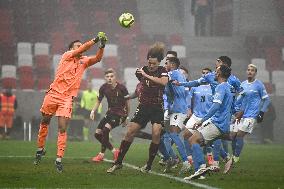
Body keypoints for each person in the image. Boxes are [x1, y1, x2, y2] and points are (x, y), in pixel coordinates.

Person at [33, 32, 107, 173]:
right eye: (77, 46)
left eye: (80, 45)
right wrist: (95, 39)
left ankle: (59, 159)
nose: (80, 47)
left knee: (62, 128)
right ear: (72, 49)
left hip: (67, 98)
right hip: (53, 93)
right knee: (45, 121)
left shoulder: (83, 61)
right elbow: (83, 49)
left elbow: (97, 58)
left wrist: (101, 46)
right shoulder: (67, 56)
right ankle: (40, 149)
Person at [107, 42, 168, 173]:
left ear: (159, 63)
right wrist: (127, 97)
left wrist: (146, 76)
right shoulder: (140, 71)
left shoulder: (163, 71)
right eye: (149, 63)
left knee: (156, 133)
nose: (151, 66)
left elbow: (163, 83)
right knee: (130, 132)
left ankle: (149, 165)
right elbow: (141, 87)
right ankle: (118, 162)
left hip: (157, 108)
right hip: (144, 107)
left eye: (154, 64)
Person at [183, 64, 233, 180]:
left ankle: (200, 167)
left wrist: (202, 120)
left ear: (219, 74)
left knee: (193, 139)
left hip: (217, 123)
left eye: (216, 71)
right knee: (202, 142)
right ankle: (227, 158)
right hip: (223, 123)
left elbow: (216, 106)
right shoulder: (227, 87)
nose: (214, 73)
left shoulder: (221, 87)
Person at [229, 64, 270, 164]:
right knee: (232, 136)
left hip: (251, 115)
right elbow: (239, 99)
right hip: (241, 114)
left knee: (239, 135)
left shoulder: (259, 84)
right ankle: (233, 156)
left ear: (255, 73)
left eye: (252, 70)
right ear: (246, 72)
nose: (250, 72)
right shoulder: (243, 84)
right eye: (248, 70)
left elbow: (266, 99)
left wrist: (262, 112)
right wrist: (235, 110)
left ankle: (236, 157)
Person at [90, 68, 130, 162]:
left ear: (115, 77)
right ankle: (114, 151)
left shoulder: (122, 88)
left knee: (105, 130)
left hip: (120, 114)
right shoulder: (103, 88)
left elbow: (128, 103)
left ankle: (101, 155)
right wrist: (93, 111)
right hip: (110, 113)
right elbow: (99, 100)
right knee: (97, 134)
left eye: (111, 76)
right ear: (105, 78)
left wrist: (126, 117)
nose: (109, 78)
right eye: (107, 77)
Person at [163, 56, 190, 174]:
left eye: (166, 63)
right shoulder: (174, 74)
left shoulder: (174, 73)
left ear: (172, 64)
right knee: (163, 136)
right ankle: (172, 159)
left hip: (179, 109)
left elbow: (161, 79)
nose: (165, 65)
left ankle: (185, 161)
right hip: (173, 109)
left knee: (173, 134)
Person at [183, 68, 214, 167]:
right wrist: (189, 109)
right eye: (203, 73)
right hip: (196, 116)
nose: (205, 75)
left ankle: (211, 159)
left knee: (206, 140)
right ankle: (190, 157)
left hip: (207, 118)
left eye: (207, 73)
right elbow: (189, 98)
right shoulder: (196, 87)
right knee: (186, 134)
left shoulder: (213, 87)